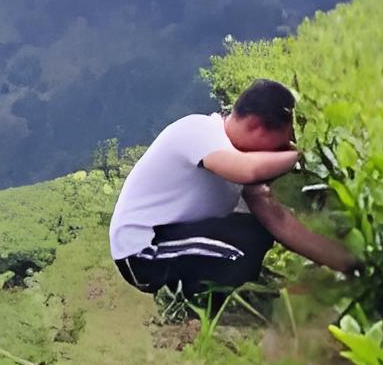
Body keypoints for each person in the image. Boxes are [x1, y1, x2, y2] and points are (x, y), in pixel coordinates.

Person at [109, 78, 356, 300]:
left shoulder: (238, 156)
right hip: (142, 253)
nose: (278, 152)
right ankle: (185, 302)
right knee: (236, 254)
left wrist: (349, 263)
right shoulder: (198, 131)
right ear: (256, 126)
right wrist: (299, 154)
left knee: (257, 233)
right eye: (279, 145)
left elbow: (278, 222)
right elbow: (248, 170)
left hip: (178, 235)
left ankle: (232, 291)